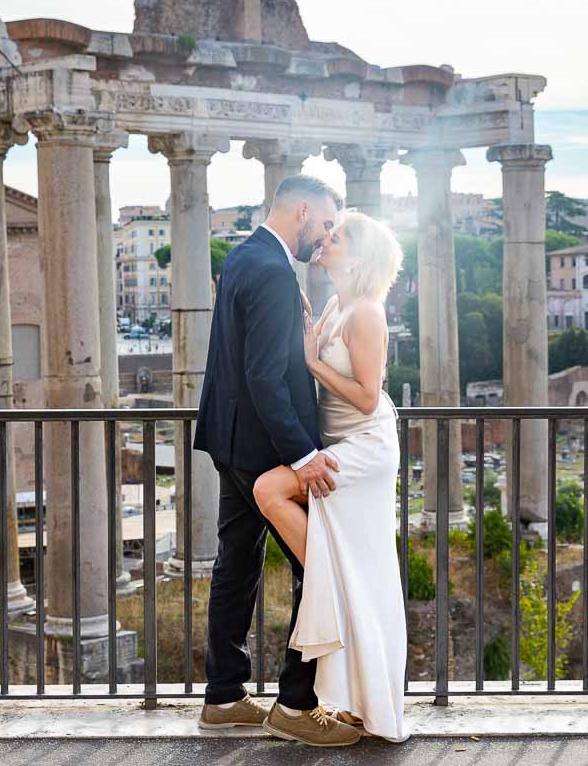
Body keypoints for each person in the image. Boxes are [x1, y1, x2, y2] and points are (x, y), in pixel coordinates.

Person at [193, 175, 361, 747]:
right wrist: (305, 454)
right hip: (266, 452)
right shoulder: (271, 272)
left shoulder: (245, 257)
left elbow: (246, 360)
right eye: (326, 224)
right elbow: (266, 377)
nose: (325, 237)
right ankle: (295, 705)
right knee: (316, 568)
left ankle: (223, 695)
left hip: (230, 441)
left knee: (236, 566)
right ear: (303, 210)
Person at [252, 210, 408, 743]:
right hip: (339, 442)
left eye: (336, 237)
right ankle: (337, 582)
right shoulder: (336, 304)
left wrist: (311, 360)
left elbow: (367, 395)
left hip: (365, 445)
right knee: (357, 563)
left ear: (358, 256)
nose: (324, 239)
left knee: (268, 488)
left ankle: (330, 582)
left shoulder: (366, 312)